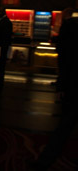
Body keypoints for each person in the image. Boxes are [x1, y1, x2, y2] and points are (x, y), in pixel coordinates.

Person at [33, 9, 78, 170]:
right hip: (73, 86)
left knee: (64, 127)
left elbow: (65, 59)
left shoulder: (71, 26)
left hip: (72, 86)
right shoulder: (71, 26)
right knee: (64, 127)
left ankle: (45, 161)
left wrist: (62, 84)